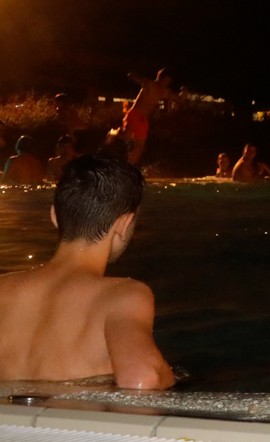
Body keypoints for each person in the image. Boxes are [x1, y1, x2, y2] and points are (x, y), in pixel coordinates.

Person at [0, 156, 173, 387]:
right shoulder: (121, 296)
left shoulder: (3, 288)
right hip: (71, 411)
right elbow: (142, 378)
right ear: (124, 224)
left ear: (54, 216)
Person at [117, 69, 175, 165]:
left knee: (139, 147)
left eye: (168, 81)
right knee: (126, 135)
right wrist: (134, 76)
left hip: (143, 118)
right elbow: (138, 79)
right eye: (166, 80)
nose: (166, 83)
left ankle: (128, 166)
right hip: (135, 113)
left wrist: (181, 96)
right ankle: (113, 133)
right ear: (160, 78)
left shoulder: (163, 91)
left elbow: (174, 97)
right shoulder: (150, 84)